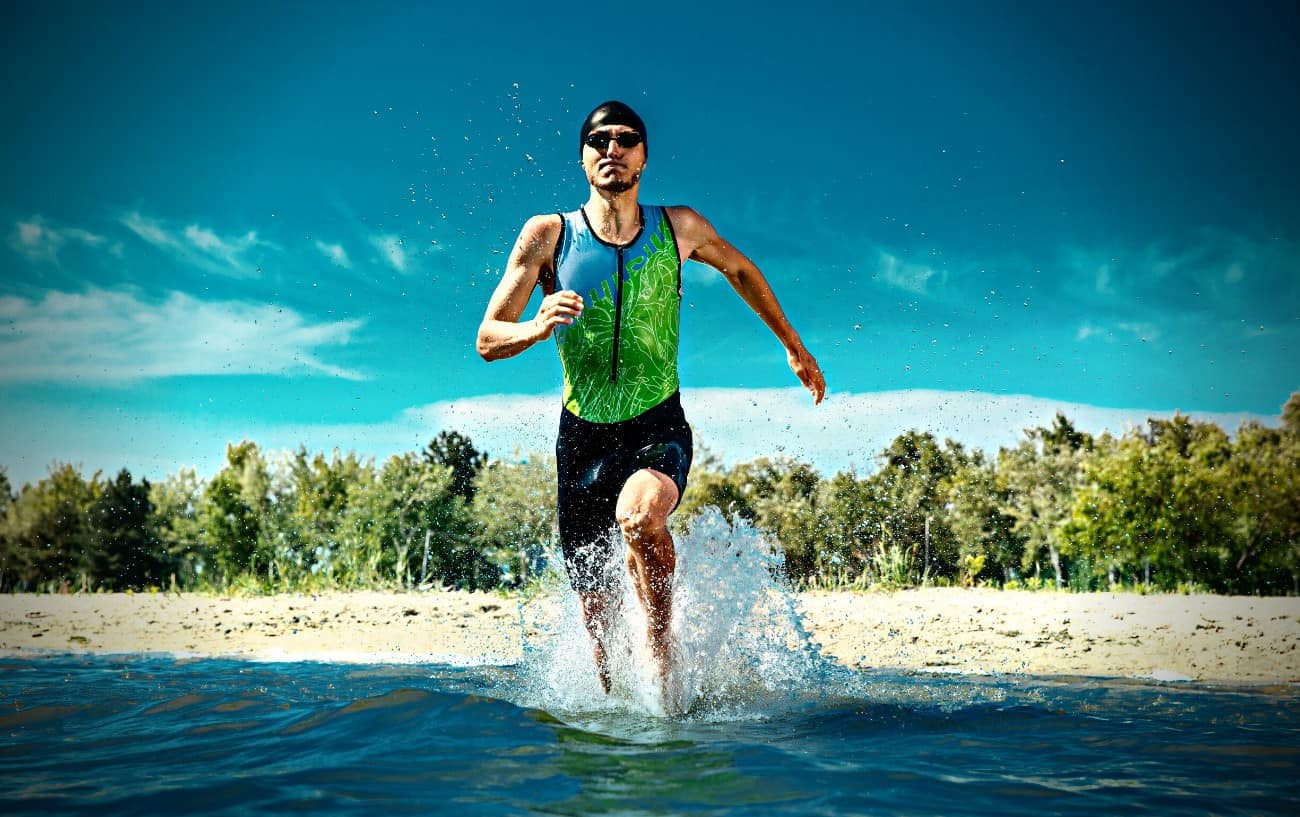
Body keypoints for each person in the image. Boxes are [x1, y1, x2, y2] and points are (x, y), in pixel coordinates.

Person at [476, 100, 825, 696]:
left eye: (626, 139)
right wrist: (535, 328)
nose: (612, 149)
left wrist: (792, 345)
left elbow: (740, 271)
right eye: (599, 140)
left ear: (643, 155)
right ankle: (618, 714)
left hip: (654, 421)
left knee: (639, 518)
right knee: (602, 639)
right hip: (581, 436)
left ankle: (666, 674)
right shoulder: (548, 235)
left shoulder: (677, 227)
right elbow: (488, 338)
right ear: (584, 156)